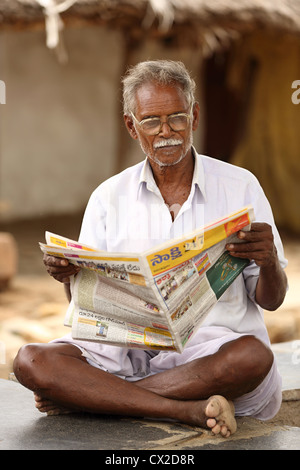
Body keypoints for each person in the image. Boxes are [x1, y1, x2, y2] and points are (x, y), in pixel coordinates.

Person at [13, 60, 288, 438]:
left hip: (207, 358)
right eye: (151, 121)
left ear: (194, 116)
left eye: (177, 117)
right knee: (30, 361)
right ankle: (187, 411)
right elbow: (83, 307)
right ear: (132, 126)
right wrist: (71, 277)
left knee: (253, 357)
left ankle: (95, 401)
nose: (166, 132)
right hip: (120, 358)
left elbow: (271, 301)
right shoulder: (108, 197)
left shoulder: (240, 187)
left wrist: (269, 259)